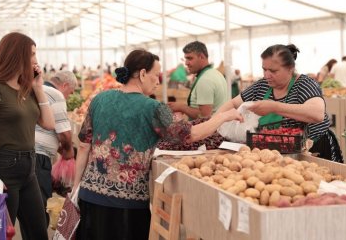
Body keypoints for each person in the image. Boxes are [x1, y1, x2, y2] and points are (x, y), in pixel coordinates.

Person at [73, 49, 243, 240]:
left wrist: (75, 188)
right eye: (156, 75)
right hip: (126, 206)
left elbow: (83, 146)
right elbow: (190, 134)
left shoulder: (99, 99)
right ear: (143, 74)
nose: (159, 81)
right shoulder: (153, 108)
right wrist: (224, 116)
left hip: (90, 197)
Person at [0, 32, 55, 239]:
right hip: (3, 169)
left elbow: (48, 123)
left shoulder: (27, 88)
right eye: (32, 54)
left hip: (30, 168)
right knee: (0, 234)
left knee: (38, 231)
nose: (36, 60)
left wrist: (38, 87)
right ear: (16, 55)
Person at [217, 44, 343, 163]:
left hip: (314, 152)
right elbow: (234, 103)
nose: (267, 75)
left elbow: (317, 114)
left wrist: (273, 107)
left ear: (290, 69)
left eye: (273, 71)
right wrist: (214, 121)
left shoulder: (304, 84)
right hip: (277, 153)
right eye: (264, 69)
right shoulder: (262, 85)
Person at [35, 70, 77, 226]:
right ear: (64, 85)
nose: (69, 97)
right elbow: (65, 134)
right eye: (70, 93)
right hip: (39, 157)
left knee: (29, 209)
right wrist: (68, 151)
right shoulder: (55, 94)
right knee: (41, 208)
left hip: (25, 153)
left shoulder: (36, 89)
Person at [168, 41, 228, 119]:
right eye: (185, 59)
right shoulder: (215, 73)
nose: (186, 63)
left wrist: (182, 107)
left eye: (190, 58)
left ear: (201, 57)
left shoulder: (205, 80)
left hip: (209, 130)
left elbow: (204, 116)